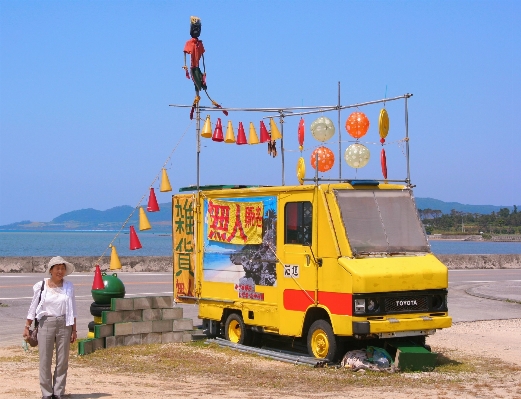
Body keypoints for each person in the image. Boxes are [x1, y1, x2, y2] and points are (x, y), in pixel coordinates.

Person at [23, 256, 77, 399]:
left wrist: (74, 329)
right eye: (57, 268)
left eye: (62, 268)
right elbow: (33, 308)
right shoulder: (41, 286)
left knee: (62, 360)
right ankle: (46, 393)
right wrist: (27, 326)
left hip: (64, 324)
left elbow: (72, 309)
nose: (60, 271)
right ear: (51, 270)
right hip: (45, 323)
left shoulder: (69, 286)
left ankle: (58, 392)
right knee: (45, 360)